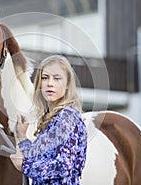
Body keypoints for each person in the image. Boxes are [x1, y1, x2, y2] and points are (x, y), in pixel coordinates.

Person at [10, 55, 87, 185]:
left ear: (67, 84)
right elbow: (39, 158)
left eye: (57, 78)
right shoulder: (52, 119)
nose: (50, 83)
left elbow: (63, 167)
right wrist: (22, 137)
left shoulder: (67, 116)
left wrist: (24, 166)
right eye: (45, 78)